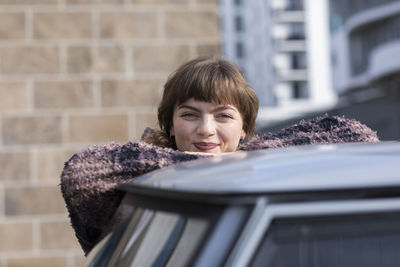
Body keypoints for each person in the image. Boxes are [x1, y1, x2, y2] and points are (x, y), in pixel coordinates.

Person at [60, 56, 379, 255]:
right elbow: (84, 171)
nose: (206, 130)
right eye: (190, 115)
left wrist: (245, 158)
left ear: (244, 128)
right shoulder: (140, 173)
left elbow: (358, 135)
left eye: (223, 116)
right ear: (170, 124)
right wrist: (206, 166)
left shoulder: (259, 166)